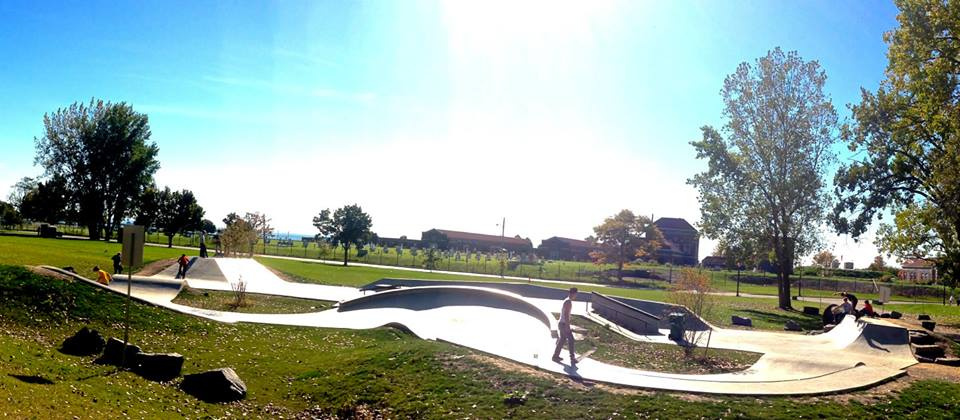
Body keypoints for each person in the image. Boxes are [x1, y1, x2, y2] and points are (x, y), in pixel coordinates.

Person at [552, 287, 578, 367]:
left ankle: (555, 356)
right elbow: (566, 315)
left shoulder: (567, 300)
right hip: (563, 324)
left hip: (561, 323)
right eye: (576, 294)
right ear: (573, 294)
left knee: (562, 339)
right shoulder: (568, 302)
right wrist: (568, 326)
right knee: (571, 340)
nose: (576, 296)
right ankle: (572, 358)